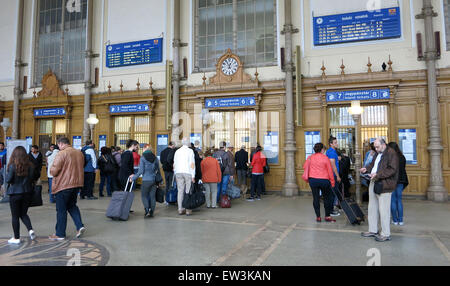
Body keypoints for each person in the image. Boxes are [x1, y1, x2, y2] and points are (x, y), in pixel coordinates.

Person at [360, 137, 399, 242]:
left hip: (385, 184)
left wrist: (378, 175)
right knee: (372, 207)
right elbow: (373, 164)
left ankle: (386, 233)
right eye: (375, 147)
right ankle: (373, 230)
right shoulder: (378, 152)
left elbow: (392, 170)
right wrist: (366, 169)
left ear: (383, 144)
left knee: (384, 210)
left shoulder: (391, 153)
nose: (376, 149)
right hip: (374, 181)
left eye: (377, 147)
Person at [49, 137, 86, 241]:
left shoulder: (62, 153)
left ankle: (60, 234)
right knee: (72, 206)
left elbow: (54, 171)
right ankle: (79, 226)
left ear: (60, 144)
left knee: (61, 210)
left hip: (63, 185)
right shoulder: (79, 153)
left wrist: (51, 168)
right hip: (76, 184)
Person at [6, 146, 36, 244]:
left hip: (15, 193)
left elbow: (8, 180)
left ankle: (16, 238)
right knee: (23, 214)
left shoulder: (12, 166)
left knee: (15, 216)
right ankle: (30, 230)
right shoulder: (30, 166)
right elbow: (32, 179)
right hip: (27, 192)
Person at [302, 143, 336, 223]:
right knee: (326, 198)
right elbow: (330, 171)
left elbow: (304, 167)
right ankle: (327, 216)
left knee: (316, 198)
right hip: (324, 180)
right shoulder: (325, 158)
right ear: (322, 150)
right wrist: (332, 182)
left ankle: (318, 217)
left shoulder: (310, 157)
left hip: (313, 180)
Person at [129, 144, 161, 218]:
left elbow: (141, 171)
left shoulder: (143, 158)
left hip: (146, 180)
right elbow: (158, 170)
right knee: (152, 197)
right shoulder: (155, 158)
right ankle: (152, 212)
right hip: (153, 180)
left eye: (143, 148)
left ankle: (147, 210)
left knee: (144, 196)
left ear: (145, 149)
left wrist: (133, 178)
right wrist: (159, 181)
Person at [388, 142, 409, 226]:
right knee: (399, 200)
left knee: (392, 200)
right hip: (401, 180)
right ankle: (401, 220)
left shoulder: (390, 158)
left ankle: (395, 220)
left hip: (392, 181)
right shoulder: (402, 157)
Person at [173, 138, 196, 216]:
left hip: (178, 172)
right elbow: (192, 164)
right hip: (187, 172)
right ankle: (188, 209)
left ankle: (180, 209)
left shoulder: (177, 151)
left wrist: (175, 172)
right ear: (188, 143)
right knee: (188, 191)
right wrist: (193, 175)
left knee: (180, 191)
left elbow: (175, 163)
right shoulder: (190, 151)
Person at [326, 136, 341, 216]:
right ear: (331, 144)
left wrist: (337, 158)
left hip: (331, 175)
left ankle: (330, 209)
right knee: (332, 193)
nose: (337, 144)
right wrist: (337, 176)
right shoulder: (332, 152)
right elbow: (333, 165)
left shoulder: (331, 151)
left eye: (336, 142)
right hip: (333, 175)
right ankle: (331, 211)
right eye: (335, 143)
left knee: (332, 193)